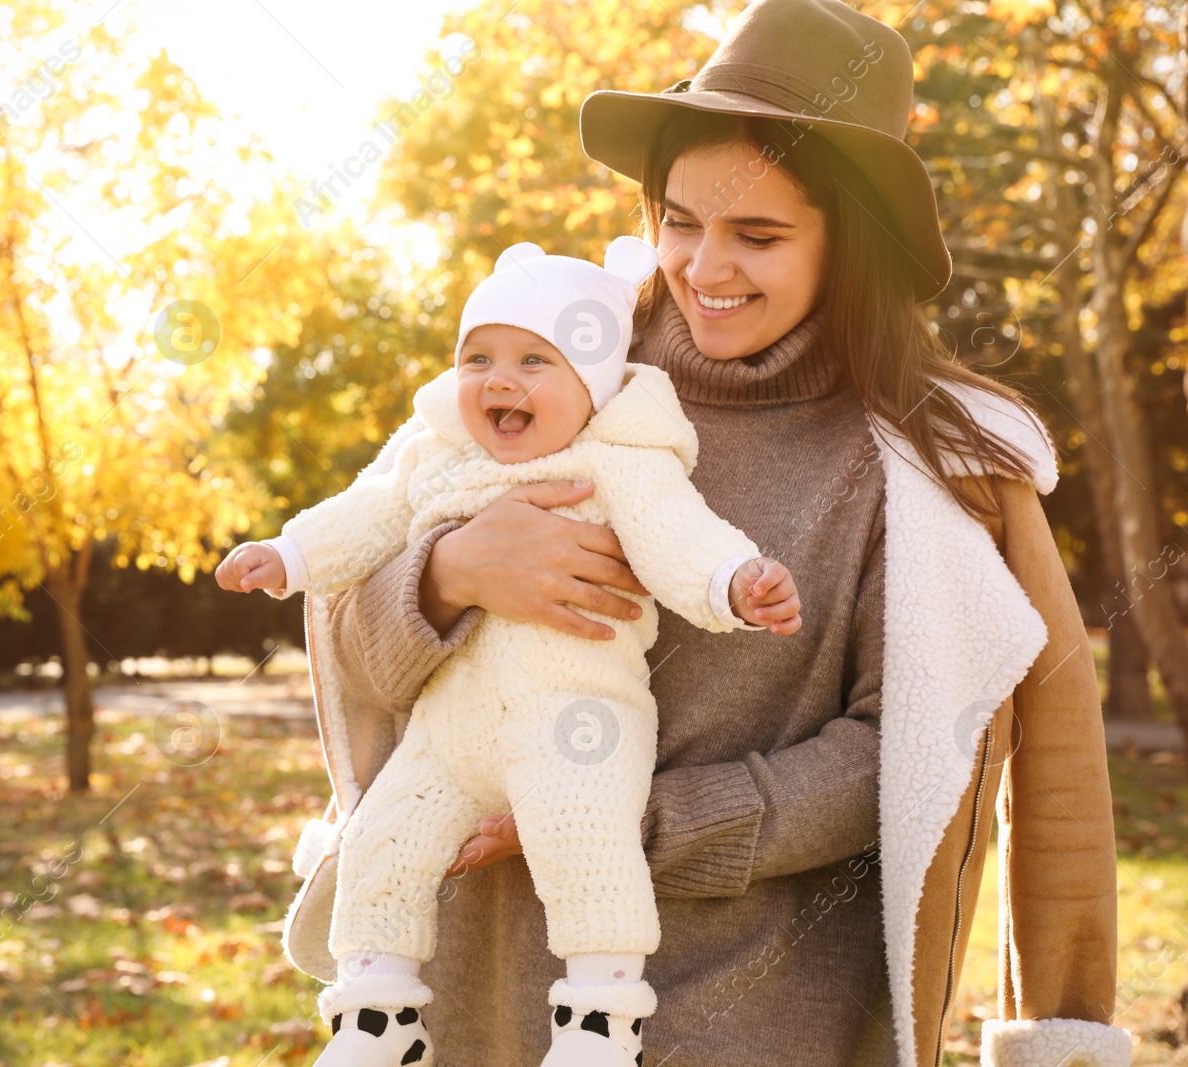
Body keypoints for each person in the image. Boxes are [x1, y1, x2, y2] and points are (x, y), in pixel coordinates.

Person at [277, 1, 1129, 1066]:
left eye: (757, 234)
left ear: (848, 239)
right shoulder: (545, 370)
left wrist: (632, 823)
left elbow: (915, 751)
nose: (703, 266)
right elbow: (348, 633)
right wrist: (447, 575)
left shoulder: (928, 470)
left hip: (757, 1012)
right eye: (679, 220)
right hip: (476, 990)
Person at [219, 236, 802, 1066]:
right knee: (381, 840)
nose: (499, 379)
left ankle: (602, 1024)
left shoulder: (617, 461)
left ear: (592, 384)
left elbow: (680, 537)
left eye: (535, 360)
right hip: (448, 732)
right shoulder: (435, 458)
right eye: (478, 356)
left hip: (576, 717)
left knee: (582, 836)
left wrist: (734, 581)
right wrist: (289, 555)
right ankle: (376, 1019)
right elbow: (366, 512)